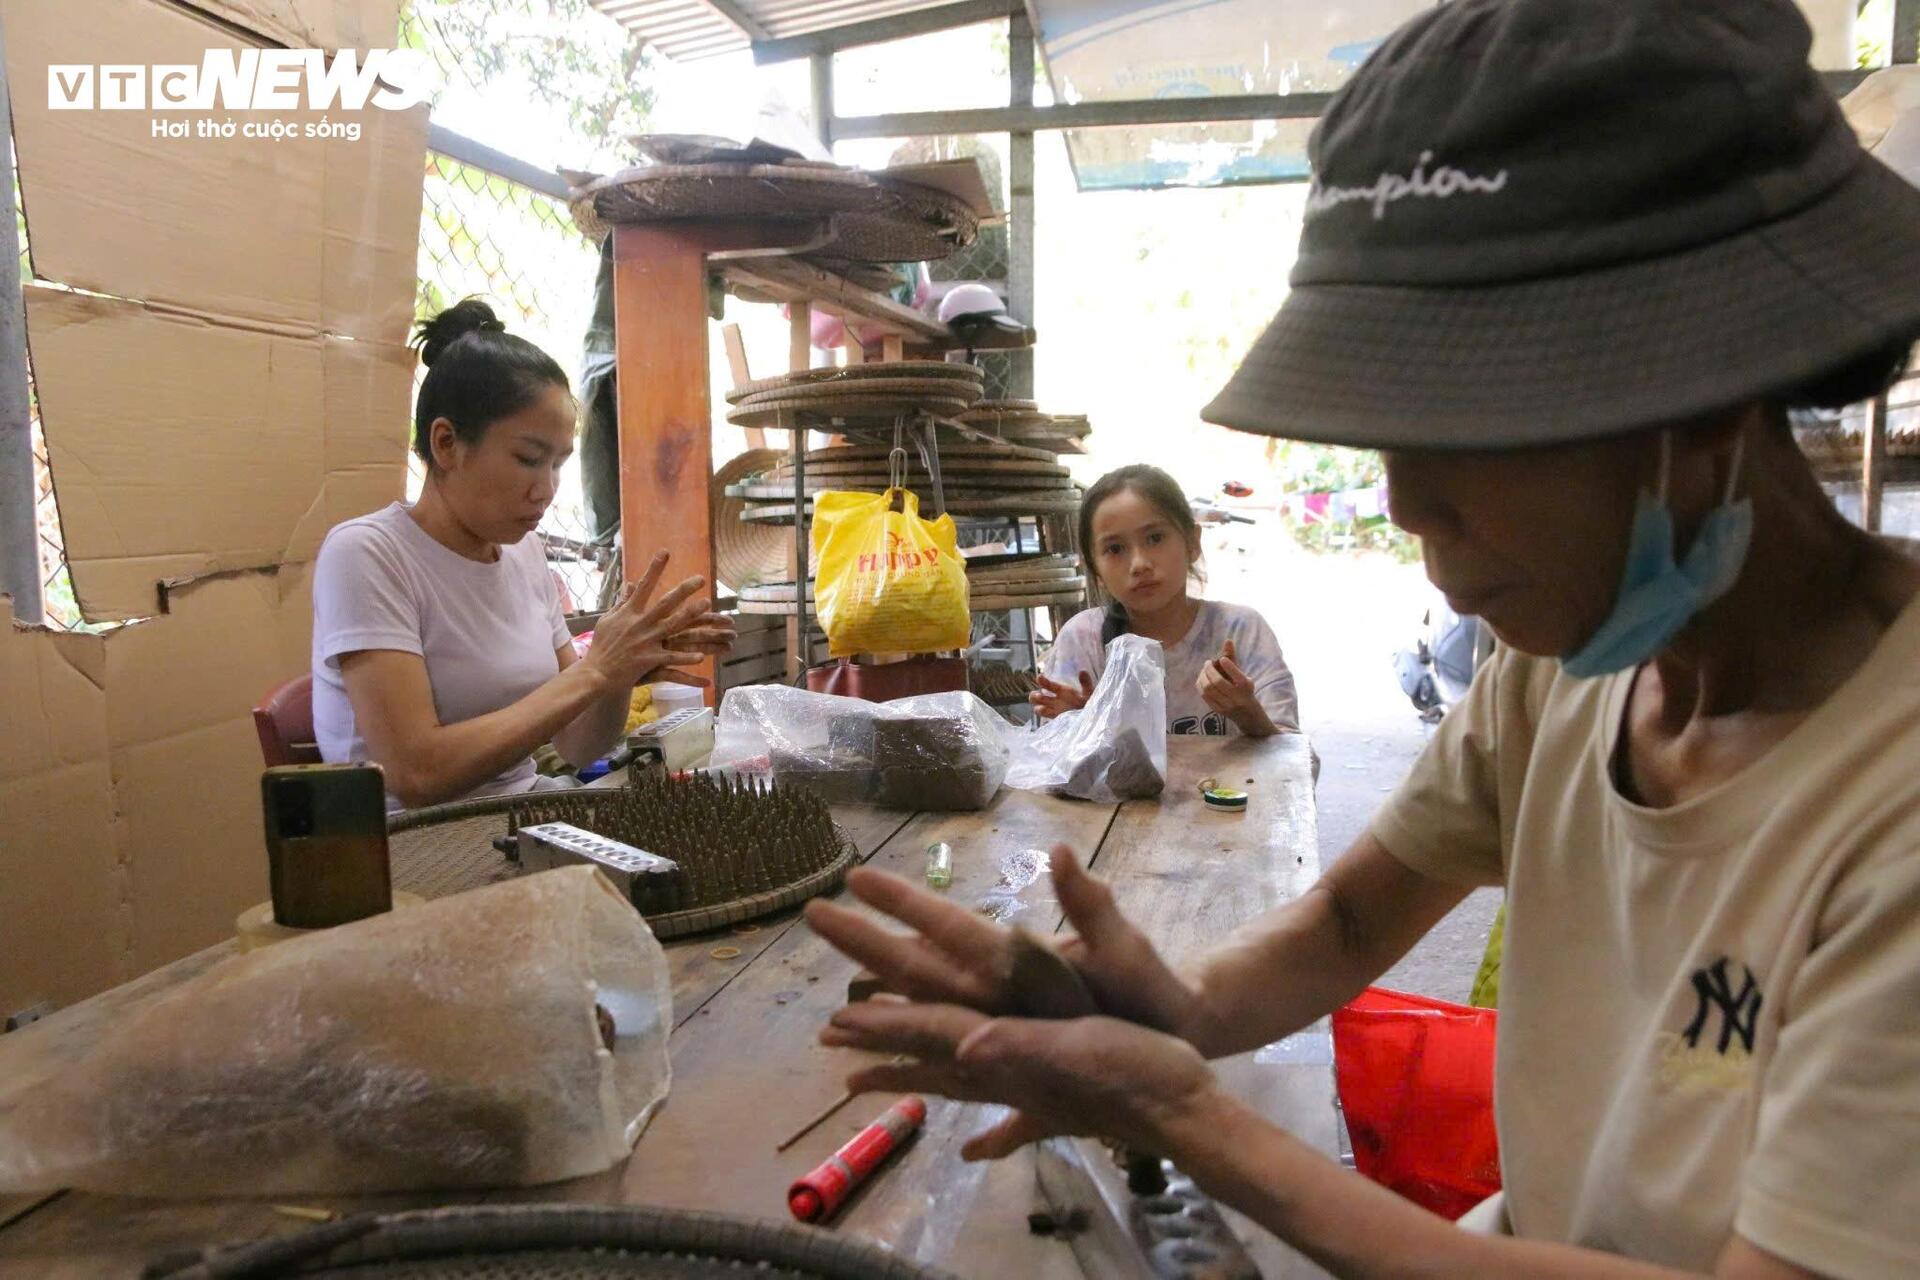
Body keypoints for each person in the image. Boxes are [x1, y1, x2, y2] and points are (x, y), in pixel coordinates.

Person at [803, 1, 1920, 1276]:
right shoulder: (1561, 668)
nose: (1402, 503)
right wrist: (1175, 1005)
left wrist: (1187, 1114)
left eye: (1465, 433)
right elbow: (1345, 921)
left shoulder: (1890, 800)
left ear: (1707, 403)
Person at [311, 299, 733, 810]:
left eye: (558, 464)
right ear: (445, 443)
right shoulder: (368, 555)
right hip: (412, 845)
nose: (547, 489)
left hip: (520, 810)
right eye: (529, 459)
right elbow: (417, 773)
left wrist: (619, 671)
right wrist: (595, 670)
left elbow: (577, 745)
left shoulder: (524, 553)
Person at [1032, 464, 1300, 737]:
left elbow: (1299, 765)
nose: (1139, 564)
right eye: (1115, 549)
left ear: (1192, 543)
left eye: (1155, 538)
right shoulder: (1083, 640)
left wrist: (1249, 714)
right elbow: (1050, 769)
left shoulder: (1241, 630)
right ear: (1095, 569)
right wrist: (1080, 732)